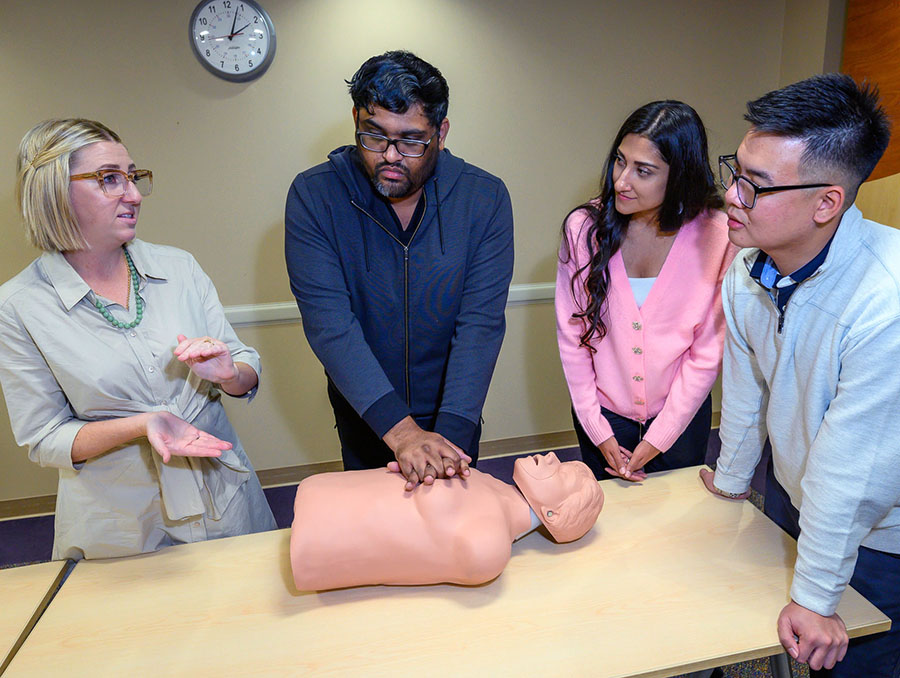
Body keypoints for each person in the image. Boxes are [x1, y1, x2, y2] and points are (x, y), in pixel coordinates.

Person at [0, 119, 276, 560]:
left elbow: (243, 367)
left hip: (226, 504)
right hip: (122, 527)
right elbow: (45, 437)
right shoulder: (19, 306)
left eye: (132, 176)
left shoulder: (180, 268)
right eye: (110, 179)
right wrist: (143, 425)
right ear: (52, 190)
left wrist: (229, 373)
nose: (132, 194)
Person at [701, 73, 899, 676]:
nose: (731, 196)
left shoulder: (885, 302)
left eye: (756, 187)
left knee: (855, 665)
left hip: (877, 533)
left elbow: (855, 468)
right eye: (735, 172)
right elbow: (745, 388)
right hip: (795, 493)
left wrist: (816, 597)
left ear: (826, 202)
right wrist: (733, 482)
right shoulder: (747, 269)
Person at [284, 50, 514, 490]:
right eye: (374, 136)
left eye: (411, 141)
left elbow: (480, 324)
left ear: (441, 133)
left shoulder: (484, 198)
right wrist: (402, 432)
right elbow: (331, 325)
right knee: (377, 544)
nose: (390, 156)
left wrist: (448, 439)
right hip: (369, 411)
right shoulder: (315, 197)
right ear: (356, 119)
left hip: (454, 411)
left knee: (453, 537)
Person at [556, 101, 737, 482]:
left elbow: (706, 353)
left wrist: (662, 436)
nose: (621, 181)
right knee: (609, 527)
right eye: (620, 161)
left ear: (680, 177)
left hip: (681, 418)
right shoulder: (583, 229)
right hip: (602, 418)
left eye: (644, 171)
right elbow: (573, 337)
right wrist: (595, 424)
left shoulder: (718, 236)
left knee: (675, 527)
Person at [290, 452, 603, 590]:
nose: (551, 456)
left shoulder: (489, 547)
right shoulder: (492, 484)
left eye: (562, 473)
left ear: (554, 514)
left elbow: (399, 566)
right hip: (323, 494)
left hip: (318, 543)